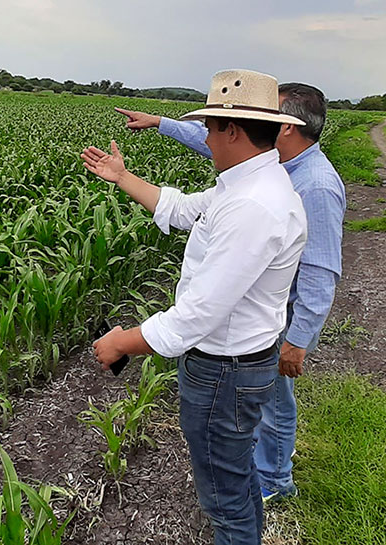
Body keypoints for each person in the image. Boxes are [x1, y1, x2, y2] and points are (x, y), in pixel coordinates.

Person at [83, 69, 308, 545]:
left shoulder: (255, 204)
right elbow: (184, 208)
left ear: (232, 130)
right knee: (234, 473)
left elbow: (200, 313)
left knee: (222, 495)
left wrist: (123, 342)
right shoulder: (243, 185)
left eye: (209, 127)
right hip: (236, 365)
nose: (205, 136)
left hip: (226, 371)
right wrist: (123, 177)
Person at [115, 82, 345, 502]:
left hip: (266, 320)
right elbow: (202, 171)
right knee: (259, 409)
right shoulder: (263, 171)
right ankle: (256, 478)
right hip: (256, 311)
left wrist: (298, 340)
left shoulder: (310, 186)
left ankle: (272, 480)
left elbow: (321, 271)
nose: (207, 138)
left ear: (284, 129)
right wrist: (153, 135)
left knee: (271, 407)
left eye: (215, 127)